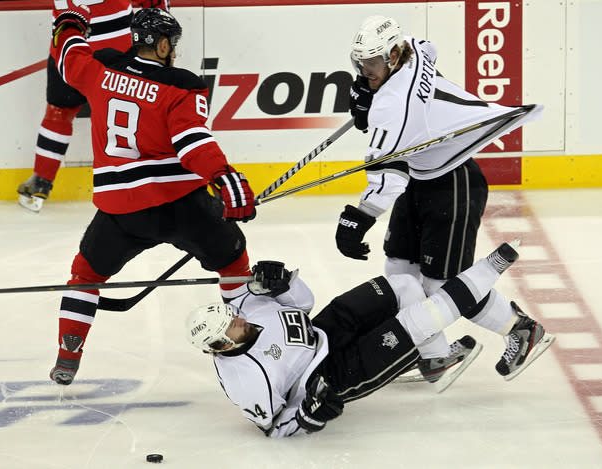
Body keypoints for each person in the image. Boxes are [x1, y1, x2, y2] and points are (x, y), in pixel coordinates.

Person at [47, 5, 257, 386]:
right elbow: (191, 141)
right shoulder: (183, 85)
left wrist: (69, 23)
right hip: (182, 206)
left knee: (86, 274)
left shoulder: (100, 66)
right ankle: (250, 341)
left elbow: (67, 55)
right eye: (172, 44)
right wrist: (222, 176)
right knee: (234, 262)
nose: (174, 51)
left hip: (120, 210)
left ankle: (67, 355)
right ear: (162, 46)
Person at [335, 15, 547, 382]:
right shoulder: (413, 51)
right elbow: (423, 46)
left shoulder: (393, 107)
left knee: (441, 285)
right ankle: (435, 356)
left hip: (454, 181)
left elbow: (386, 175)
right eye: (361, 62)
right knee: (400, 273)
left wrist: (358, 218)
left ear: (393, 55)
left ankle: (521, 329)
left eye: (372, 63)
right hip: (424, 176)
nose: (364, 69)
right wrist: (369, 93)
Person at [186, 241, 554, 437]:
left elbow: (303, 304)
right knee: (417, 320)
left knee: (406, 286)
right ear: (223, 346)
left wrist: (285, 282)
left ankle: (436, 360)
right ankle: (490, 270)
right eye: (232, 326)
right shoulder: (243, 382)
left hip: (325, 329)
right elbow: (274, 428)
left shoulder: (246, 312)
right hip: (334, 374)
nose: (238, 319)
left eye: (232, 315)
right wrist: (308, 418)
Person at [17, 0, 169, 212]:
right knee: (135, 113)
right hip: (119, 48)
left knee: (59, 112)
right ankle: (146, 182)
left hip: (68, 45)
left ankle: (40, 182)